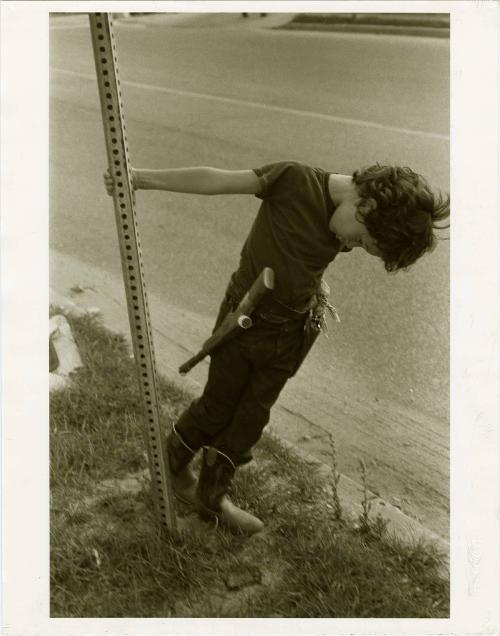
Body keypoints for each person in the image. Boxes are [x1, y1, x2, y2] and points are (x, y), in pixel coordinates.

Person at [104, 160, 449, 535]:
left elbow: (303, 257)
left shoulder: (347, 215)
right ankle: (171, 465)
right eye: (364, 241)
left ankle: (212, 495)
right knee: (218, 406)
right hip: (245, 321)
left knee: (251, 417)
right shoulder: (294, 180)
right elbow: (215, 179)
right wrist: (139, 177)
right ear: (365, 205)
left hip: (292, 334)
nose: (352, 246)